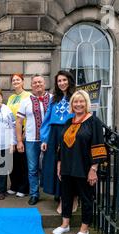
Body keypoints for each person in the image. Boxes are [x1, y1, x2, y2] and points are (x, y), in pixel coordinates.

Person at [52, 90, 107, 234]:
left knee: (86, 197)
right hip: (67, 166)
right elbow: (61, 145)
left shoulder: (94, 122)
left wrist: (94, 169)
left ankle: (84, 228)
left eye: (81, 101)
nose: (78, 104)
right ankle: (65, 224)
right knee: (66, 195)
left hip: (84, 167)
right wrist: (59, 164)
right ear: (72, 104)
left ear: (87, 103)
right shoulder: (69, 122)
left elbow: (98, 145)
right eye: (75, 102)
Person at [41, 70, 77, 214]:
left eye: (64, 80)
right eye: (59, 81)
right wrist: (44, 138)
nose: (62, 83)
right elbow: (47, 120)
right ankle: (61, 195)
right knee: (55, 166)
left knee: (69, 167)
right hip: (55, 134)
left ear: (69, 80)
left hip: (70, 132)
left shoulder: (76, 97)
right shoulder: (54, 98)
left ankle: (73, 197)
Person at [16, 74, 53, 206]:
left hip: (50, 139)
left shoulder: (53, 99)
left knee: (52, 166)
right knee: (32, 168)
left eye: (40, 82)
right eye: (35, 83)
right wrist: (19, 141)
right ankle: (34, 194)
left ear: (44, 84)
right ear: (31, 85)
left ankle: (55, 192)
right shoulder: (26, 101)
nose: (38, 85)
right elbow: (19, 122)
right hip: (31, 140)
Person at [6, 74, 31, 198]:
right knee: (13, 160)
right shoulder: (11, 97)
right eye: (13, 80)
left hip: (23, 129)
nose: (15, 81)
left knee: (23, 160)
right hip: (11, 131)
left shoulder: (28, 96)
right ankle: (14, 185)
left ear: (22, 82)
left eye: (18, 79)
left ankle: (24, 187)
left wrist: (24, 132)